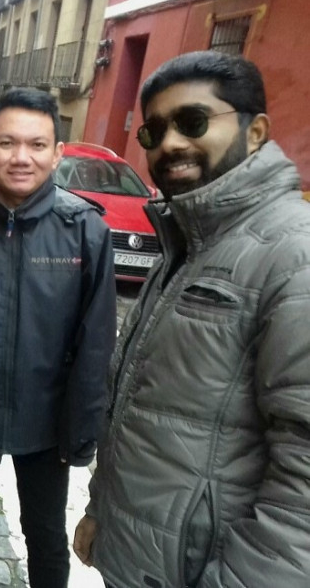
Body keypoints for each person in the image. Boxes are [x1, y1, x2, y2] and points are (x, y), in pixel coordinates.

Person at [73, 51, 310, 587]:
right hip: (141, 560)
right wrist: (100, 512)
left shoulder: (293, 254)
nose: (171, 143)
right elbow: (140, 413)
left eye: (193, 121)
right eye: (154, 131)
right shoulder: (188, 243)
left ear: (256, 132)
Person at [0, 87, 116, 588]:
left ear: (57, 153)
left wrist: (81, 430)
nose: (21, 157)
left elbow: (96, 339)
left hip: (47, 418)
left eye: (37, 145)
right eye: (7, 143)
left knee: (44, 534)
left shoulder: (84, 228)